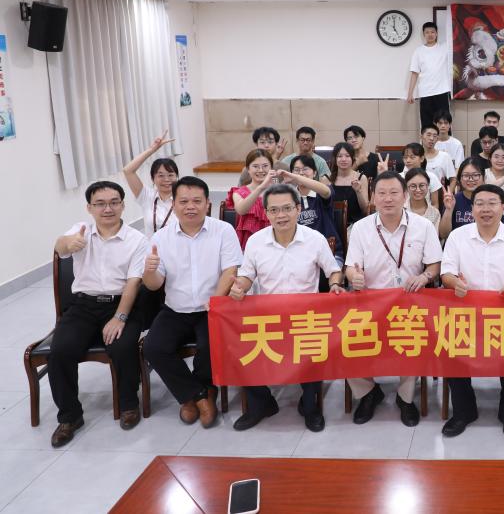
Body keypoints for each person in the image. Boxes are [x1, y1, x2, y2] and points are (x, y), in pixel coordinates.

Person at [229, 184, 343, 432]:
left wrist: (335, 284)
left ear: (298, 209)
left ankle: (310, 406)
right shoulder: (256, 241)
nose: (281, 215)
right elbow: (246, 276)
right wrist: (240, 287)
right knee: (236, 347)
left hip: (305, 319)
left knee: (315, 344)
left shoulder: (314, 239)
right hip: (268, 318)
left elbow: (333, 270)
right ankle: (262, 404)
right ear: (266, 213)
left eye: (287, 208)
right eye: (274, 210)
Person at [48, 181, 148, 447]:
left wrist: (120, 317)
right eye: (100, 204)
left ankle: (129, 404)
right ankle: (69, 416)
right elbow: (60, 247)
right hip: (82, 306)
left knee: (123, 346)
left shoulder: (137, 240)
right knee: (60, 351)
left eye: (114, 202)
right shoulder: (80, 231)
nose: (108, 209)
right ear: (89, 208)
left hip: (120, 304)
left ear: (123, 205)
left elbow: (133, 283)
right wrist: (69, 244)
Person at [143, 176, 242, 431]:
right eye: (184, 201)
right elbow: (154, 285)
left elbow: (230, 271)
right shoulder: (160, 238)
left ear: (208, 203)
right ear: (173, 204)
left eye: (197, 201)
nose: (190, 207)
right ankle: (196, 395)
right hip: (175, 308)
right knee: (153, 347)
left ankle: (202, 391)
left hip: (213, 307)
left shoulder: (223, 230)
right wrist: (149, 271)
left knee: (211, 345)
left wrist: (216, 300)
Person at [344, 171, 443, 427]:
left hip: (410, 303)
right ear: (373, 197)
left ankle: (405, 398)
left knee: (412, 338)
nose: (388, 199)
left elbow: (435, 265)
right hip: (370, 304)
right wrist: (355, 276)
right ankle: (368, 392)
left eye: (394, 193)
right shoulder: (361, 228)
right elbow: (350, 266)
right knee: (343, 340)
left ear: (405, 196)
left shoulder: (423, 226)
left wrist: (424, 277)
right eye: (382, 193)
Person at [440, 184, 504, 439]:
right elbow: (446, 273)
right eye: (480, 203)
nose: (486, 209)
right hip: (466, 313)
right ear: (472, 209)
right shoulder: (458, 236)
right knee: (451, 348)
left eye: (492, 203)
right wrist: (454, 283)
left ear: (503, 208)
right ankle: (464, 411)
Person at [122, 130, 178, 236]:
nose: (166, 179)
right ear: (153, 179)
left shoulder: (183, 198)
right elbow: (128, 171)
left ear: (176, 177)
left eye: (170, 175)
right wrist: (152, 150)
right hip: (152, 245)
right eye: (161, 175)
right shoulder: (147, 196)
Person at [439, 157, 504, 239]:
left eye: (475, 175)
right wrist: (449, 210)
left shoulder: (495, 201)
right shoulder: (453, 200)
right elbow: (444, 235)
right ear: (460, 179)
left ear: (484, 177)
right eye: (466, 175)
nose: (471, 179)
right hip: (459, 245)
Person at [289, 155, 341, 254]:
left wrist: (299, 177)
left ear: (315, 173)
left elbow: (327, 192)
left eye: (305, 169)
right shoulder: (289, 198)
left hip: (329, 251)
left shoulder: (321, 192)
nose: (301, 173)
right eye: (296, 170)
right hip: (301, 253)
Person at [407, 21, 451, 129]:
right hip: (425, 92)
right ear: (424, 34)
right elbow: (414, 73)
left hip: (442, 91)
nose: (430, 34)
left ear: (436, 33)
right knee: (426, 124)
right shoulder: (418, 51)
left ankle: (445, 141)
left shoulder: (445, 48)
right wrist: (410, 93)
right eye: (427, 32)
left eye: (432, 32)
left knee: (444, 123)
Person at [227, 149, 275, 250]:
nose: (261, 170)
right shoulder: (239, 192)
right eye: (255, 166)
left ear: (271, 168)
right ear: (248, 169)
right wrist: (260, 188)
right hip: (248, 245)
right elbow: (241, 210)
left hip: (275, 241)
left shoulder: (279, 191)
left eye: (265, 166)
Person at [328, 142, 369, 226]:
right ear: (335, 159)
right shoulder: (326, 179)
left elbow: (365, 210)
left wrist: (358, 192)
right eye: (340, 156)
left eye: (347, 156)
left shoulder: (361, 178)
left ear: (353, 158)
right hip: (332, 225)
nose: (343, 159)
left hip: (356, 225)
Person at [401, 142, 443, 207]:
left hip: (426, 212)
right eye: (405, 157)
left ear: (422, 158)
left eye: (412, 157)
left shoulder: (431, 177)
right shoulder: (399, 177)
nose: (408, 160)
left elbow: (435, 204)